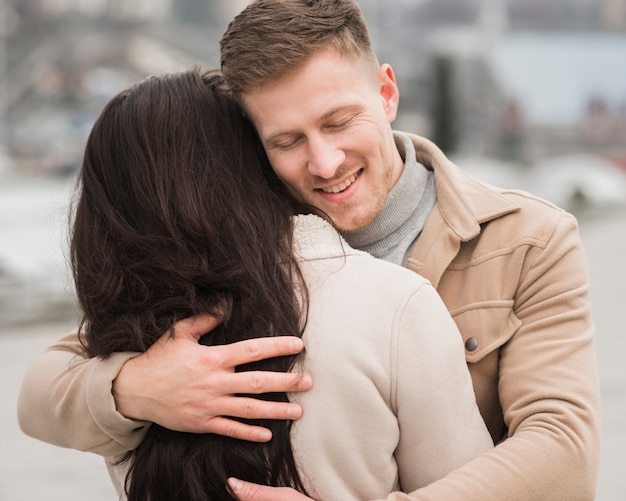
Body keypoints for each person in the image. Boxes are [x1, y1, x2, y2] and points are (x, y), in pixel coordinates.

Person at [18, 0, 601, 499]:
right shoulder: (229, 248)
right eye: (287, 141)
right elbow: (46, 385)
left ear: (387, 92)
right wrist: (132, 389)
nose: (324, 164)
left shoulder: (526, 238)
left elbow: (565, 454)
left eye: (340, 122)